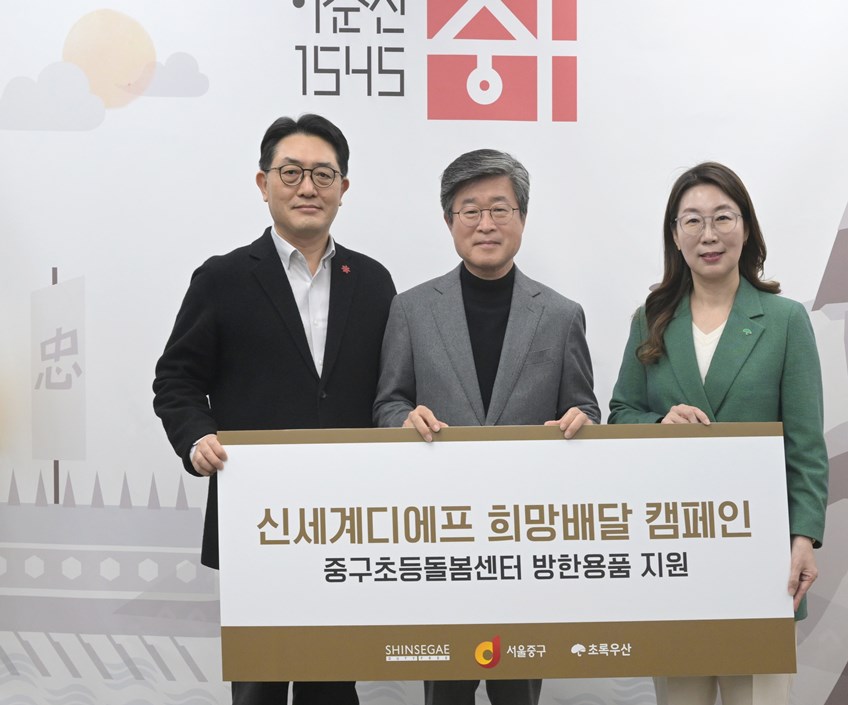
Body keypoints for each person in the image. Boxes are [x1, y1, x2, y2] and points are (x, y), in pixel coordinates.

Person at [152, 114, 395, 705]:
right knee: (259, 684)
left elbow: (393, 388)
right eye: (291, 173)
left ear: (343, 188)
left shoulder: (373, 282)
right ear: (263, 183)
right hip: (256, 519)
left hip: (345, 520)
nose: (307, 187)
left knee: (333, 684)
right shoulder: (223, 278)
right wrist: (196, 437)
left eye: (323, 174)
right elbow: (176, 379)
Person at [374, 148, 600, 705]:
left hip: (526, 542)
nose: (486, 224)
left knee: (518, 693)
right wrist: (404, 419)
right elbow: (388, 402)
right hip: (442, 538)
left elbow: (585, 408)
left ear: (522, 217)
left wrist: (583, 421)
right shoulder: (411, 309)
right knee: (444, 694)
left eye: (500, 209)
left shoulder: (561, 314)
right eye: (469, 210)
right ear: (448, 220)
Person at [608, 162, 828, 705]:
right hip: (675, 549)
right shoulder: (651, 319)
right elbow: (620, 414)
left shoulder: (784, 320)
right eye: (693, 221)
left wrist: (804, 537)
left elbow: (805, 446)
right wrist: (659, 423)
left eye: (723, 217)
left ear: (746, 228)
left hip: (761, 552)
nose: (709, 234)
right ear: (675, 235)